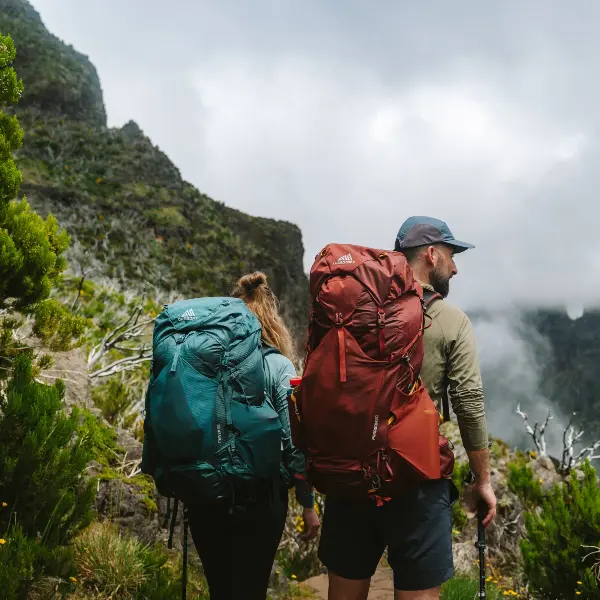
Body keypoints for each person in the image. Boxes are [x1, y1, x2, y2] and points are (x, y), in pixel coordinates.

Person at [317, 216, 496, 600]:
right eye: (451, 255)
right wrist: (482, 480)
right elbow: (468, 402)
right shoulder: (451, 320)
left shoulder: (350, 312)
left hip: (350, 474)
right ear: (431, 255)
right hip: (416, 479)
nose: (456, 266)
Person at [187, 271, 320, 600]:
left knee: (220, 588)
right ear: (272, 324)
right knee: (251, 588)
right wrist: (306, 503)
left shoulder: (205, 363)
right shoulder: (278, 366)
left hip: (206, 493)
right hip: (260, 497)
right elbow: (295, 443)